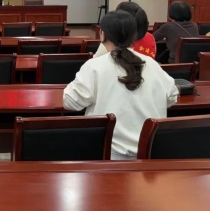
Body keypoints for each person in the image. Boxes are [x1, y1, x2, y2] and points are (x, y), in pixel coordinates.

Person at [63, 11, 179, 160]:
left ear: (102, 35)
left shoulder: (94, 66)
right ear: (134, 36)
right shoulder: (152, 64)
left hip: (107, 155)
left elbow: (70, 102)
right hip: (151, 154)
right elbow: (172, 97)